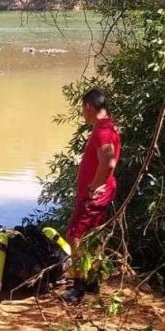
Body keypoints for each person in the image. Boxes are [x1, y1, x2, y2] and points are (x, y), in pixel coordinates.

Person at [62, 88, 121, 303]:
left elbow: (108, 162)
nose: (83, 113)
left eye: (82, 109)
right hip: (104, 193)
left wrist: (94, 186)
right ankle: (92, 281)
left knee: (74, 235)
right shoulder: (109, 125)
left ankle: (78, 288)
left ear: (88, 107)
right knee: (92, 237)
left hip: (94, 195)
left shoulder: (102, 131)